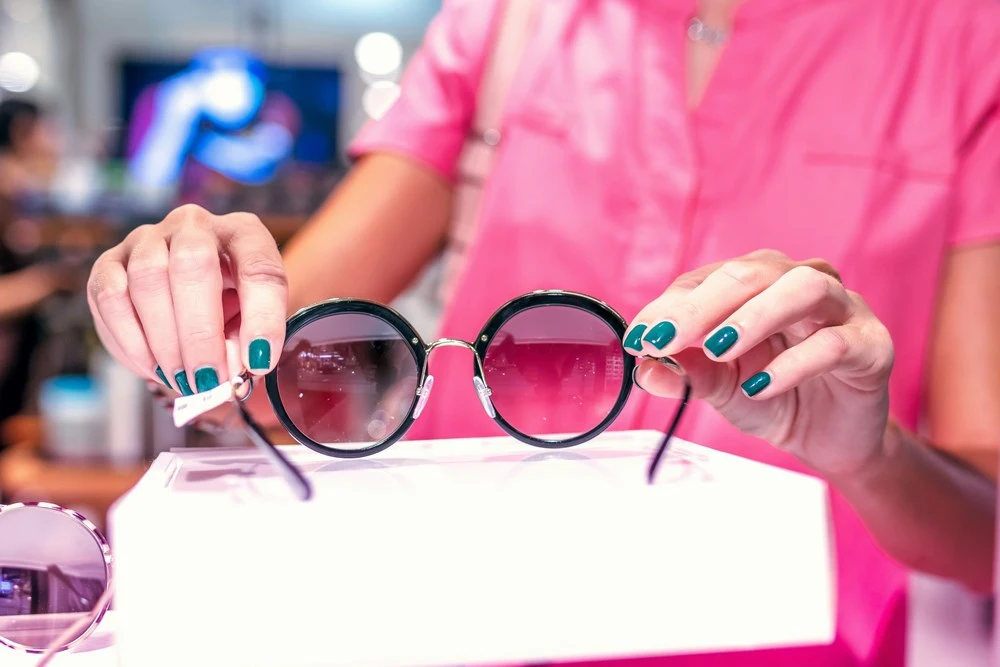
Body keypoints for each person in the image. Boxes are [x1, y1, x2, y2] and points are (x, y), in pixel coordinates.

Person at [87, 0, 998, 664]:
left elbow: (983, 537)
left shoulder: (967, 41)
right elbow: (260, 349)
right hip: (451, 627)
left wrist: (870, 452)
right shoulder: (508, 22)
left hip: (795, 640)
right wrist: (191, 303)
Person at [0, 100, 76, 431]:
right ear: (21, 133)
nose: (58, 144)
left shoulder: (19, 207)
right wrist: (51, 280)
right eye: (51, 131)